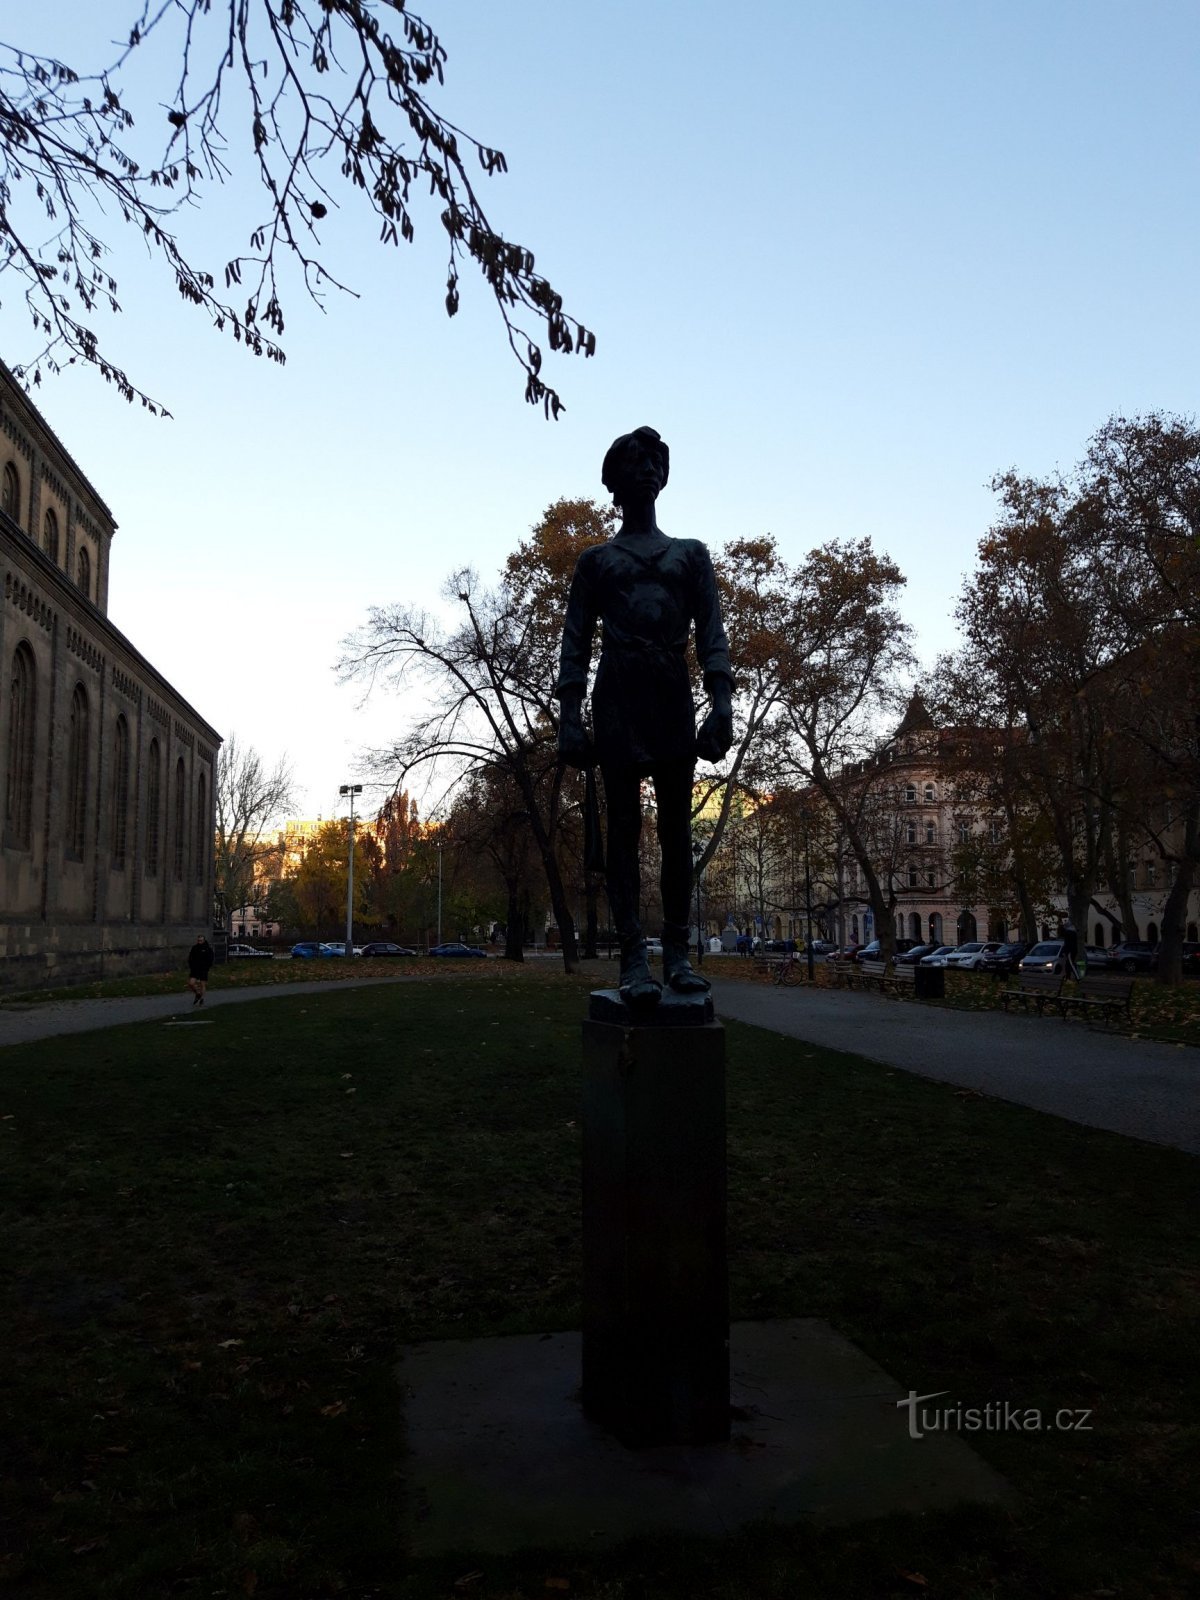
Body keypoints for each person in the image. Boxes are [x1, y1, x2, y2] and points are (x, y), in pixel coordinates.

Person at [556, 425, 734, 1006]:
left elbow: (712, 634)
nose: (646, 473)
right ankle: (634, 958)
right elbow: (576, 641)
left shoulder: (691, 555)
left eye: (654, 464)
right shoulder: (596, 562)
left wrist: (722, 704)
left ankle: (677, 954)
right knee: (624, 832)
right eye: (635, 465)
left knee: (679, 832)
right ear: (617, 483)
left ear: (662, 478)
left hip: (670, 696)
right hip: (617, 697)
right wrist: (569, 717)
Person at [186, 934, 214, 1007]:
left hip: (203, 969)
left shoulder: (208, 949)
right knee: (191, 983)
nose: (199, 942)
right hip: (195, 968)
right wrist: (191, 965)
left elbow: (210, 959)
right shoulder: (194, 948)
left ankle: (202, 998)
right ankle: (197, 994)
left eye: (201, 940)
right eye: (198, 940)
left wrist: (207, 967)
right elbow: (190, 957)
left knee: (202, 984)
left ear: (204, 940)